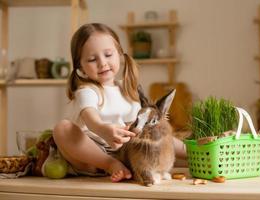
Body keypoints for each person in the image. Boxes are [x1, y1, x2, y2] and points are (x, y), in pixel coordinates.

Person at [53, 23, 186, 182]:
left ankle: (192, 152)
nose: (102, 63)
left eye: (108, 55)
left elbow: (143, 126)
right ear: (80, 67)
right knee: (62, 129)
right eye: (92, 59)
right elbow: (90, 118)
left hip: (128, 151)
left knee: (159, 130)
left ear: (120, 55)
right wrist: (103, 130)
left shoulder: (127, 88)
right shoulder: (87, 91)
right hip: (93, 153)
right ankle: (109, 164)